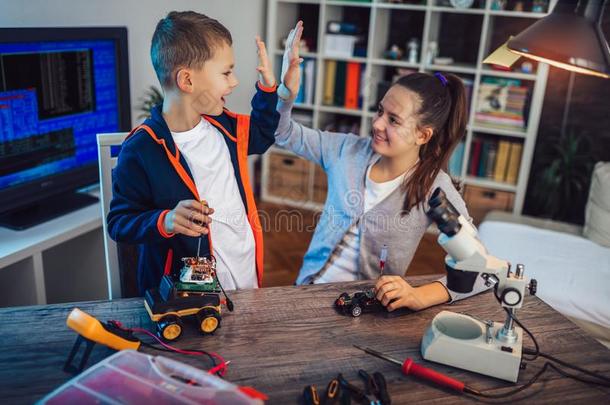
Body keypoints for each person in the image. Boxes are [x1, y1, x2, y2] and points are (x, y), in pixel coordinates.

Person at [272, 21, 487, 312]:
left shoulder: (434, 188)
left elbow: (481, 269)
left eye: (393, 120)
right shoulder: (346, 150)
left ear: (423, 135)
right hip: (306, 294)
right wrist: (286, 92)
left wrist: (420, 295)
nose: (376, 124)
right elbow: (283, 133)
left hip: (367, 313)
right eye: (379, 111)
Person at [107, 11, 279, 294]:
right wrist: (167, 220)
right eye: (226, 72)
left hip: (247, 276)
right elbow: (119, 223)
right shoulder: (141, 149)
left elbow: (262, 134)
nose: (234, 82)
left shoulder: (223, 125)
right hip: (188, 296)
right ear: (187, 80)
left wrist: (269, 89)